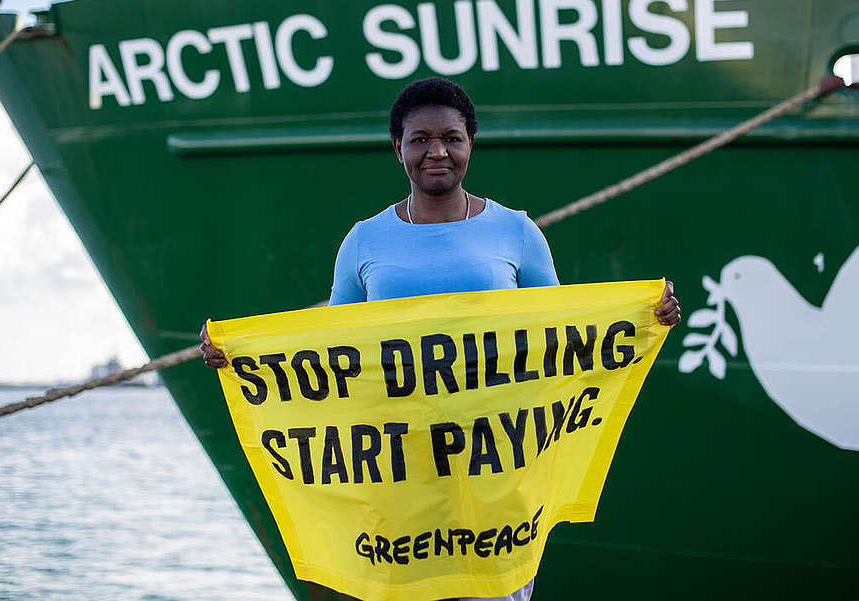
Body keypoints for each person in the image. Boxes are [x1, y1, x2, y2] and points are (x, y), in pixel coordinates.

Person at [200, 77, 681, 601]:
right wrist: (241, 357)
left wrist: (642, 319)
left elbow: (565, 338)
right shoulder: (364, 240)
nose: (437, 151)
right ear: (398, 148)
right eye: (420, 139)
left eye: (451, 137)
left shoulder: (517, 233)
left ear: (470, 142)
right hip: (397, 464)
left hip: (497, 460)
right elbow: (332, 353)